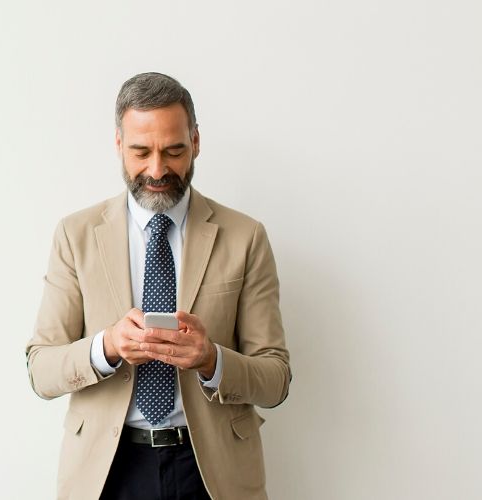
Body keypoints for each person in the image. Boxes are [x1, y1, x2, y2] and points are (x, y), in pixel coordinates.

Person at [26, 72, 291, 500]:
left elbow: (275, 378)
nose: (157, 169)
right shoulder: (75, 235)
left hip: (212, 471)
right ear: (117, 145)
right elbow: (41, 370)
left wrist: (211, 360)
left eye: (173, 151)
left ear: (197, 142)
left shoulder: (246, 237)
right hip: (107, 470)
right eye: (140, 151)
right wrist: (106, 347)